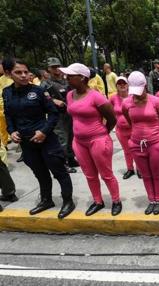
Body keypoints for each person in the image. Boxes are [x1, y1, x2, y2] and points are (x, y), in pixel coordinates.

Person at [2, 58, 75, 218]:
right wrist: (12, 131)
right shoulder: (7, 92)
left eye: (25, 72)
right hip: (27, 143)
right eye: (18, 72)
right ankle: (46, 200)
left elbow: (54, 114)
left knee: (59, 171)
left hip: (46, 140)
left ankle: (68, 201)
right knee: (40, 173)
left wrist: (43, 131)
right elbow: (9, 114)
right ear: (8, 73)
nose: (23, 76)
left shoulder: (39, 91)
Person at [60, 63, 121, 216]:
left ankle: (116, 200)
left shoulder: (96, 96)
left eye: (70, 75)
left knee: (106, 174)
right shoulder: (70, 94)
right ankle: (98, 201)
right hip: (79, 142)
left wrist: (103, 134)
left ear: (82, 78)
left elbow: (112, 118)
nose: (66, 78)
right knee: (90, 174)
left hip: (98, 141)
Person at [123, 71, 159, 215]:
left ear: (145, 86)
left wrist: (155, 136)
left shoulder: (156, 102)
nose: (136, 95)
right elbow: (130, 121)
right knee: (145, 174)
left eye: (139, 90)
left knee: (156, 173)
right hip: (136, 144)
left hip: (156, 143)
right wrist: (138, 133)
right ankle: (151, 200)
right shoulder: (127, 103)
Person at [40, 57, 79, 172]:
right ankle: (63, 164)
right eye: (53, 67)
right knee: (62, 139)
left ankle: (71, 159)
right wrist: (53, 101)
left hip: (70, 112)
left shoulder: (67, 81)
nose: (56, 69)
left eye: (58, 66)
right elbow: (41, 98)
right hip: (57, 115)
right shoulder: (45, 84)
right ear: (49, 69)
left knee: (72, 137)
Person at [110, 76, 136, 180]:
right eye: (119, 83)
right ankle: (130, 169)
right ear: (116, 86)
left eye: (124, 83)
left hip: (134, 129)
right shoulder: (112, 98)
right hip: (120, 130)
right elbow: (108, 111)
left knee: (137, 149)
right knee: (127, 150)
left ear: (128, 84)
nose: (122, 85)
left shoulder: (133, 96)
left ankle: (140, 169)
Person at [0, 60, 13, 147]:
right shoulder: (1, 80)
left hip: (14, 108)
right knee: (2, 128)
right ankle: (4, 145)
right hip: (2, 109)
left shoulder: (14, 78)